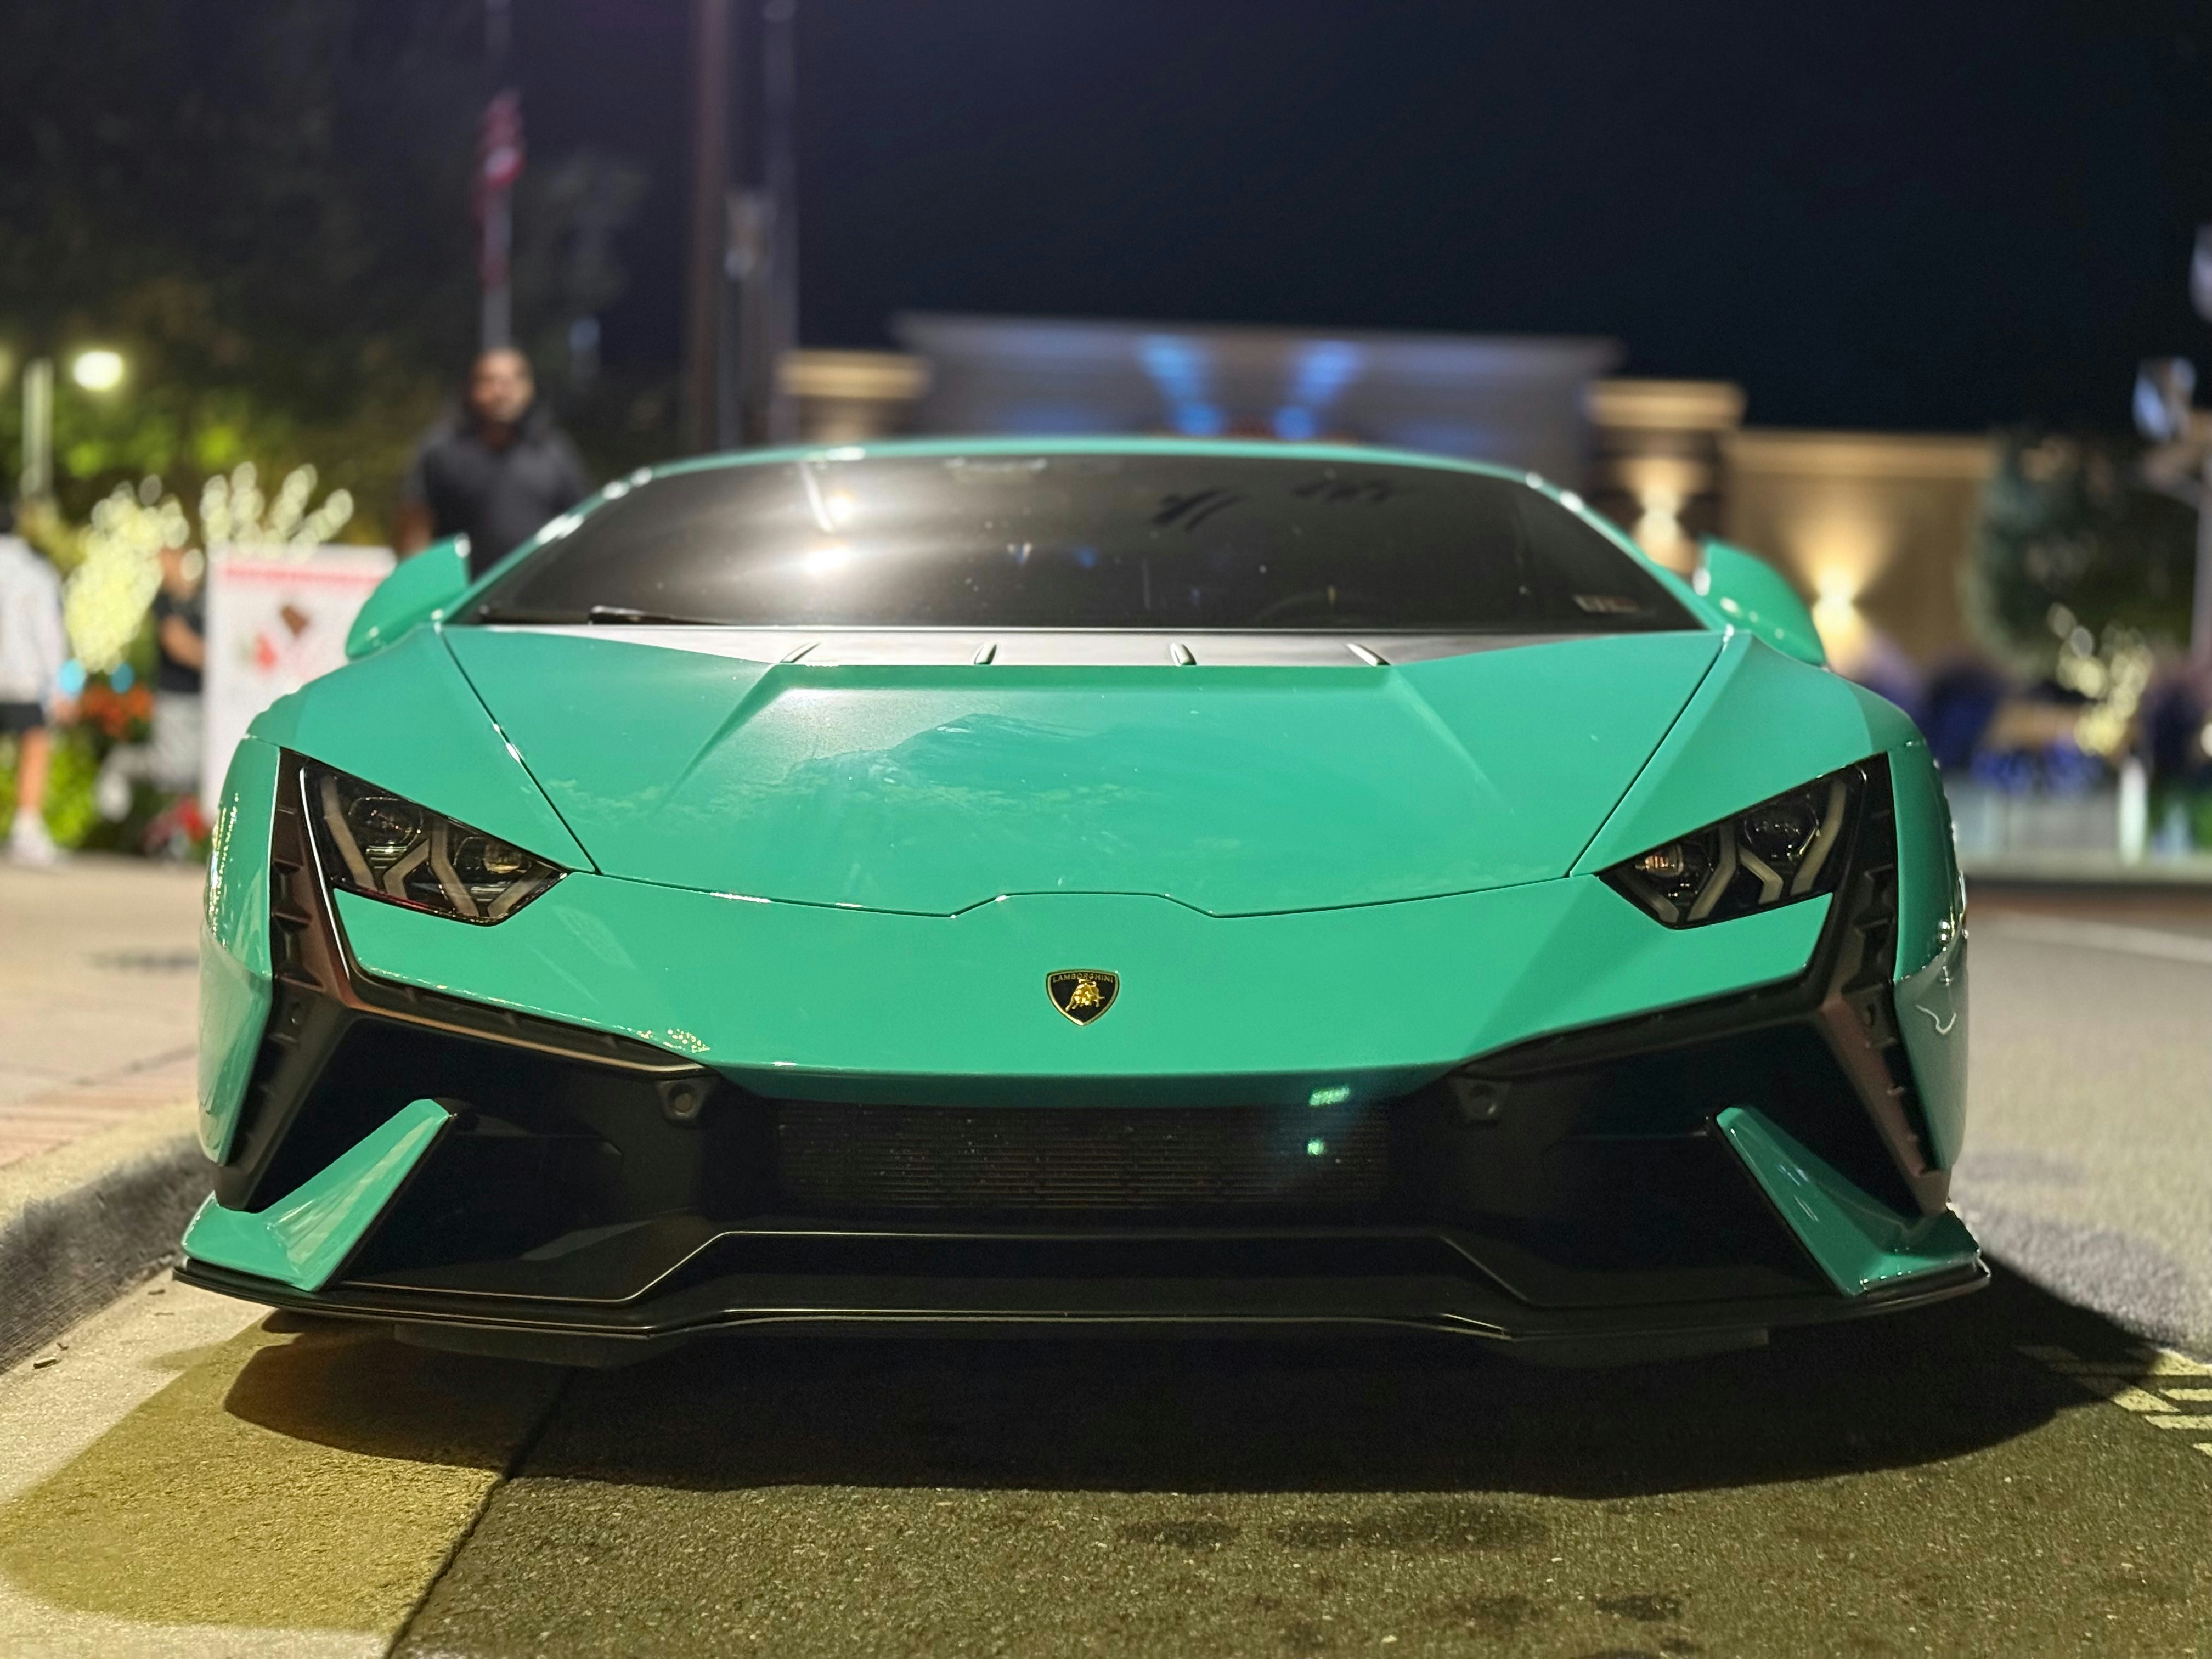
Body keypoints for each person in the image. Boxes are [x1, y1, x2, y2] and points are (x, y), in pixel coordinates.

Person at [396, 347, 592, 578]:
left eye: (514, 380)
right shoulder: (442, 451)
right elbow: (416, 526)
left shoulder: (554, 451)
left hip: (535, 595)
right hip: (462, 599)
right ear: (470, 388)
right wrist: (419, 583)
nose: (502, 392)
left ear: (530, 388)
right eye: (490, 381)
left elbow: (583, 523)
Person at [95, 541, 206, 831]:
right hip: (176, 698)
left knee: (204, 772)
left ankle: (176, 836)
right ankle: (121, 763)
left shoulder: (210, 596)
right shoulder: (164, 601)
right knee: (170, 770)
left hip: (211, 700)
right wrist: (222, 662)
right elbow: (177, 643)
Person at [0, 501, 76, 866]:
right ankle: (26, 827)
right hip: (21, 677)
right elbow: (48, 634)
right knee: (34, 743)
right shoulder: (32, 570)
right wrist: (60, 687)